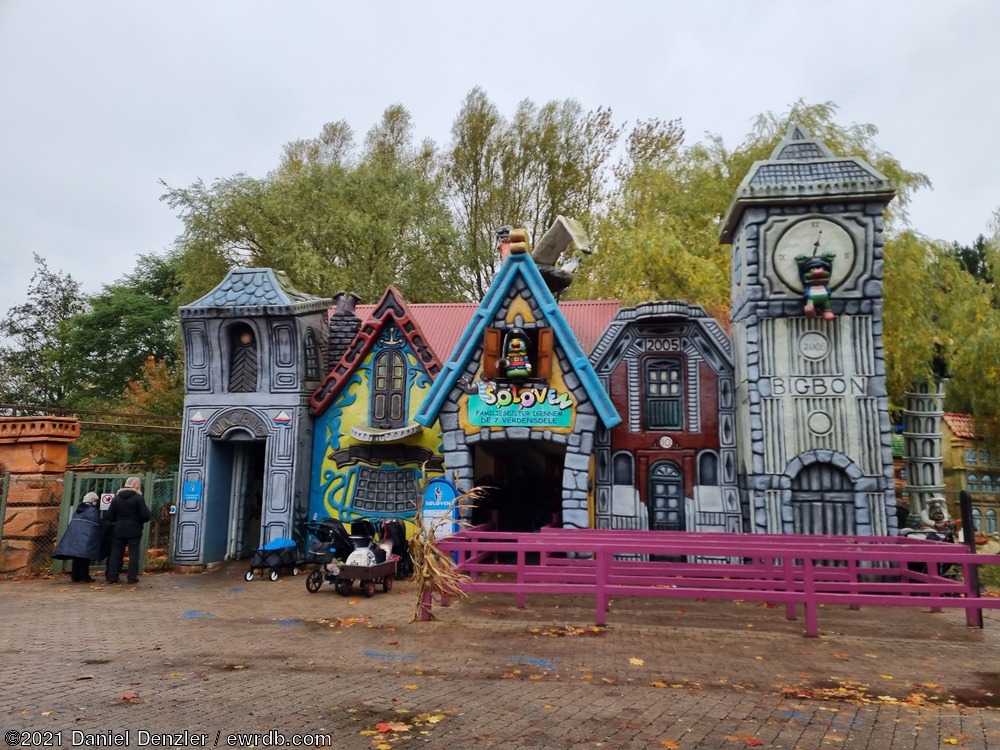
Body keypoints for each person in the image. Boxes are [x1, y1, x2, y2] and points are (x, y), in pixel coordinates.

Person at [105, 477, 151, 584]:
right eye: (138, 484)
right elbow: (145, 515)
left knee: (116, 553)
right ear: (135, 485)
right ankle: (131, 578)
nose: (139, 486)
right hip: (134, 529)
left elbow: (109, 516)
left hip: (119, 529)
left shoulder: (117, 498)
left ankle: (112, 577)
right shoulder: (138, 498)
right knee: (133, 554)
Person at [53, 492, 103, 583]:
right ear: (93, 501)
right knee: (85, 558)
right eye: (95, 501)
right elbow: (96, 524)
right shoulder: (92, 511)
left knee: (76, 557)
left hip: (75, 536)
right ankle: (84, 576)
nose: (96, 503)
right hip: (86, 537)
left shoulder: (78, 509)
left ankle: (75, 576)